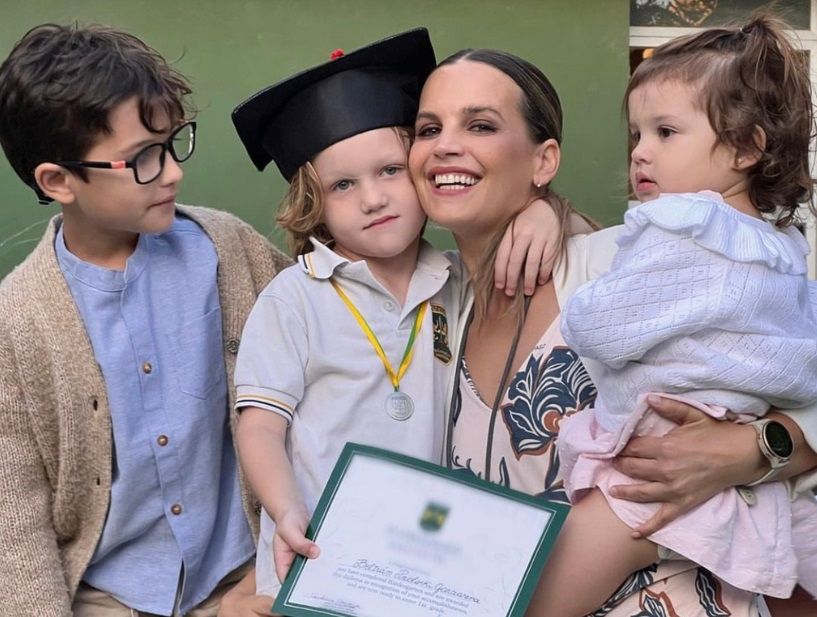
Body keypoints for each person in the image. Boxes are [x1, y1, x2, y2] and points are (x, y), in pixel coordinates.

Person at [408, 43, 817, 617]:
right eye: (427, 129)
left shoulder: (618, 264)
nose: (446, 144)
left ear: (544, 161)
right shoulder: (432, 306)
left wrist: (752, 449)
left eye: (480, 124)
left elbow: (791, 364)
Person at [229, 29, 560, 600]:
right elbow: (259, 424)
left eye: (390, 171)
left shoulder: (459, 279)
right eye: (343, 185)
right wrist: (285, 511)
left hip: (427, 560)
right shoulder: (295, 298)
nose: (373, 198)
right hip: (319, 555)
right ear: (316, 205)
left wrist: (546, 209)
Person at [0, 23, 291, 616]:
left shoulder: (230, 251)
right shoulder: (16, 324)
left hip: (247, 574)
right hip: (105, 595)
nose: (173, 172)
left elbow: (345, 311)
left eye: (172, 143)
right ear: (58, 181)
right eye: (142, 160)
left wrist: (530, 212)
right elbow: (14, 526)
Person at [539, 14, 817, 616]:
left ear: (746, 147)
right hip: (751, 454)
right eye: (637, 134)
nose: (641, 152)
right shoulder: (781, 246)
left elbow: (601, 327)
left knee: (537, 597)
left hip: (652, 456)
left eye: (666, 132)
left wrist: (585, 301)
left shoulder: (680, 225)